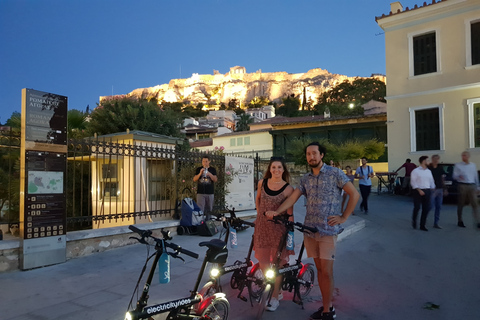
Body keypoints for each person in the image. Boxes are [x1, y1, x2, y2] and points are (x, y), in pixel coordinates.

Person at [265, 142, 359, 320]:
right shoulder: (305, 178)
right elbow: (293, 197)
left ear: (321, 155)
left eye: (314, 153)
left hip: (327, 231)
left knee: (327, 272)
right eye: (308, 154)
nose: (311, 157)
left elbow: (354, 194)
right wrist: (277, 212)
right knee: (320, 270)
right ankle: (326, 308)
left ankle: (328, 310)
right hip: (309, 231)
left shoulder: (335, 173)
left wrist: (343, 217)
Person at [254, 156, 294, 312]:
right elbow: (258, 199)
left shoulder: (288, 189)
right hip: (262, 227)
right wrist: (259, 214)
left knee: (278, 264)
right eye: (273, 167)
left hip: (279, 229)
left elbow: (289, 212)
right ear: (269, 169)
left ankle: (276, 295)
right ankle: (270, 287)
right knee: (263, 261)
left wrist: (291, 230)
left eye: (279, 167)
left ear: (283, 170)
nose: (276, 170)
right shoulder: (262, 183)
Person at [453, 151, 480, 228]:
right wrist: (458, 177)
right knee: (461, 203)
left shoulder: (473, 165)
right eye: (462, 155)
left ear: (468, 156)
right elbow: (454, 176)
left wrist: (477, 187)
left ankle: (478, 221)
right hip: (462, 185)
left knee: (475, 203)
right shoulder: (458, 165)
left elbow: (475, 176)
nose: (463, 157)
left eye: (464, 155)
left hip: (472, 185)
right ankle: (460, 220)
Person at [410, 156, 435, 231]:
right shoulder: (415, 171)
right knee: (417, 207)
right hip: (418, 191)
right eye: (427, 160)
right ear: (423, 161)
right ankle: (414, 221)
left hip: (427, 190)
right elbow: (413, 182)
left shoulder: (428, 171)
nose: (429, 161)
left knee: (426, 208)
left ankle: (422, 225)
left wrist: (433, 188)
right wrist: (419, 190)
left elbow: (431, 181)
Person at [193, 155, 217, 220]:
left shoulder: (212, 169)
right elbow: (194, 179)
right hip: (201, 192)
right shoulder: (199, 169)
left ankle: (209, 222)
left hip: (210, 192)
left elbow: (215, 179)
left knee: (209, 209)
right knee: (200, 209)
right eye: (203, 161)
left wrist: (209, 174)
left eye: (206, 161)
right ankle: (200, 223)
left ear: (209, 161)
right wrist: (200, 173)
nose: (205, 163)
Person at [428, 155, 446, 229]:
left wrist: (444, 188)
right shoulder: (429, 168)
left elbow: (442, 178)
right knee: (430, 206)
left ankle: (436, 223)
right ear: (432, 159)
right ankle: (423, 220)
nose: (436, 160)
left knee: (438, 206)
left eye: (437, 159)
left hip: (440, 189)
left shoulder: (440, 168)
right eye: (434, 159)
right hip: (432, 189)